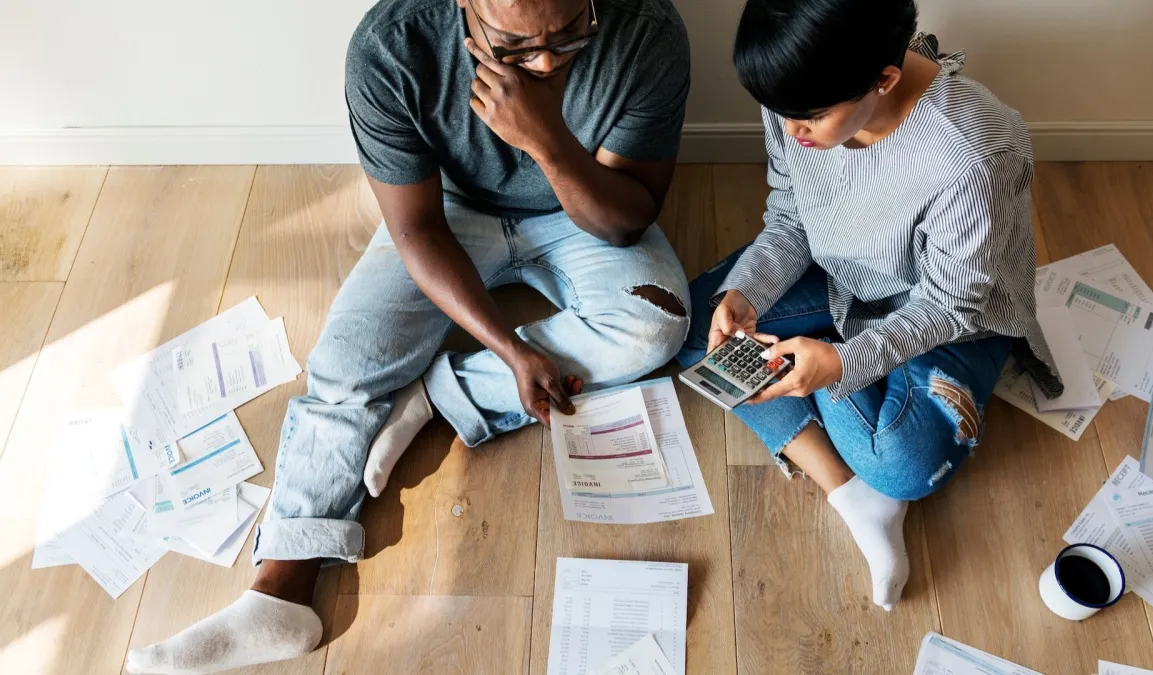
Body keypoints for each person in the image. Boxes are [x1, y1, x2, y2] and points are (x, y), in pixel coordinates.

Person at [125, 0, 691, 670]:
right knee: (344, 364)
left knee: (657, 325)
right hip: (451, 215)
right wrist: (511, 348)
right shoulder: (390, 49)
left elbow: (626, 220)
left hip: (585, 209)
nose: (544, 60)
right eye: (514, 45)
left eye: (570, 34)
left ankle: (435, 395)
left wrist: (546, 139)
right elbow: (416, 229)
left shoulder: (647, 29)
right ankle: (283, 584)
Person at [677, 0, 1061, 611]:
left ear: (883, 79)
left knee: (904, 465)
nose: (791, 131)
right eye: (781, 114)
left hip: (948, 320)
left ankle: (860, 449)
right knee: (690, 321)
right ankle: (853, 495)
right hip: (843, 278)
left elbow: (954, 304)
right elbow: (792, 215)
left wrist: (843, 362)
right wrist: (745, 292)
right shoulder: (798, 89)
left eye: (810, 119)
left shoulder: (972, 152)